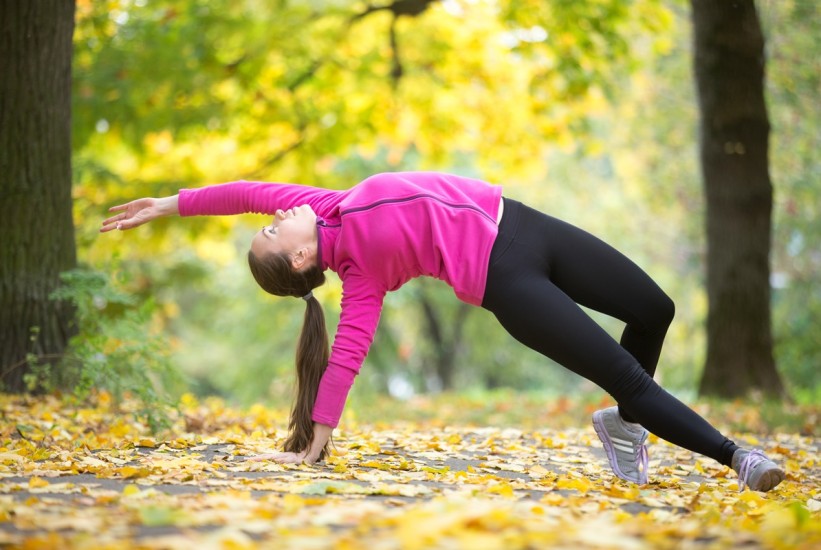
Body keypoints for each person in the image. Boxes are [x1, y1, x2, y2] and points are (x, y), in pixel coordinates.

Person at [101, 171, 785, 492]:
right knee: (627, 374)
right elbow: (346, 357)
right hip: (509, 284)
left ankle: (625, 426)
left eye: (272, 224)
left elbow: (245, 192)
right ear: (303, 260)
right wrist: (317, 439)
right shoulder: (360, 273)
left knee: (654, 309)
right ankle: (735, 458)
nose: (274, 218)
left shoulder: (318, 206)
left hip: (526, 224)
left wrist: (167, 205)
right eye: (273, 236)